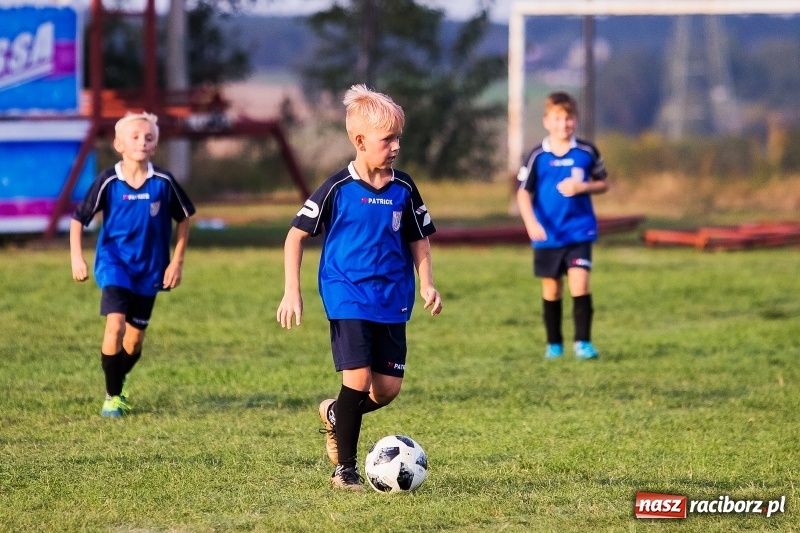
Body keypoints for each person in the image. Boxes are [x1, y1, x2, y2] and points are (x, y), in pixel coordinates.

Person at [277, 84, 443, 491]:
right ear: (360, 141)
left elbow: (418, 238)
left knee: (386, 390)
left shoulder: (404, 188)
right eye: (388, 140)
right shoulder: (337, 188)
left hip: (392, 299)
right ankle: (345, 471)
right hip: (346, 294)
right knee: (356, 378)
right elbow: (295, 236)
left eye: (398, 138)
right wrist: (291, 291)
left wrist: (428, 284)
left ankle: (337, 415)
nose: (396, 146)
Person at [70, 111, 195, 417]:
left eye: (148, 137)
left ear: (155, 145)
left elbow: (185, 219)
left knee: (135, 339)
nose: (142, 142)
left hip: (150, 268)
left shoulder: (163, 182)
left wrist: (176, 262)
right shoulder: (109, 180)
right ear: (118, 144)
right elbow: (79, 219)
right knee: (114, 324)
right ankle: (112, 396)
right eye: (135, 137)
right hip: (114, 264)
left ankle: (117, 378)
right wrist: (77, 257)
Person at [515, 92, 608, 360]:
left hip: (579, 231)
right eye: (557, 118)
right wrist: (531, 222)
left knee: (580, 284)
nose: (563, 124)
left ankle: (583, 343)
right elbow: (523, 193)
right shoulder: (537, 156)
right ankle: (554, 344)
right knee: (552, 288)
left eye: (568, 118)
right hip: (547, 234)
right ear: (547, 121)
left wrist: (584, 186)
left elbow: (605, 183)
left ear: (575, 120)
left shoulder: (587, 152)